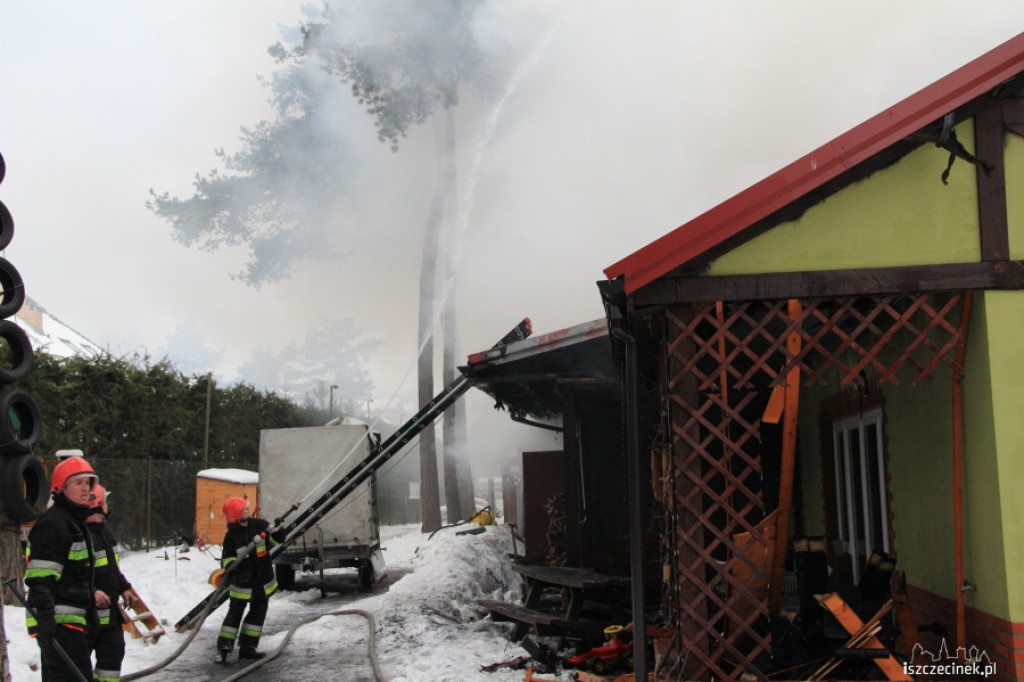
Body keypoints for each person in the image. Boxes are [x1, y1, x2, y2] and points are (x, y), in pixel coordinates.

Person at [24, 457, 99, 681]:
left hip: (72, 622)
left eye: (88, 482)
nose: (85, 488)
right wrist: (46, 620)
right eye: (78, 483)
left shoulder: (74, 522)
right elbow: (40, 578)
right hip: (58, 624)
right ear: (61, 487)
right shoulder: (54, 524)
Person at [215, 497, 280, 664]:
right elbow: (227, 559)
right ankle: (224, 648)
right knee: (233, 616)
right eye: (244, 509)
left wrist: (279, 531)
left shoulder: (259, 525)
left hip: (261, 581)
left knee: (257, 615)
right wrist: (235, 567)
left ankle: (248, 648)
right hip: (243, 584)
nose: (247, 511)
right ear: (236, 515)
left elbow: (274, 541)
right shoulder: (231, 536)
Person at [86, 484, 134, 682]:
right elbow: (78, 574)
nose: (107, 505)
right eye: (104, 501)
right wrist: (93, 592)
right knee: (79, 664)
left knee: (113, 656)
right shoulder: (82, 535)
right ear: (96, 504)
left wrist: (124, 588)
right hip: (89, 617)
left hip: (110, 616)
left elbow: (112, 570)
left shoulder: (105, 534)